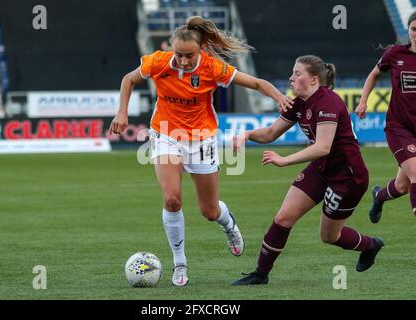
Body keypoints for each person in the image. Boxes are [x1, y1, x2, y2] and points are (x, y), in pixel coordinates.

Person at [109, 16, 293, 286]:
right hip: (165, 134)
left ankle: (228, 223)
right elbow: (128, 79)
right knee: (172, 200)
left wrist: (278, 97)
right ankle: (179, 263)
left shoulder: (212, 68)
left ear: (200, 49)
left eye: (189, 55)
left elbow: (255, 83)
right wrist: (122, 111)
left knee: (209, 211)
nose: (182, 61)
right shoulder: (159, 62)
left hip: (201, 139)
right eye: (179, 54)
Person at [231, 55, 384, 286]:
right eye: (292, 73)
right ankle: (260, 274)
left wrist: (284, 160)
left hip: (347, 178)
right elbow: (272, 133)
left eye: (297, 73)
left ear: (313, 80)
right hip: (321, 170)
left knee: (329, 236)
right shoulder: (299, 103)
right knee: (283, 217)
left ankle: (371, 245)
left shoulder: (328, 102)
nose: (291, 78)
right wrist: (248, 135)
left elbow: (323, 147)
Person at [355, 11, 416, 223]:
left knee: (402, 186)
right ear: (408, 30)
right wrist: (363, 101)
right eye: (414, 29)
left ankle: (379, 196)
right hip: (399, 127)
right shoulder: (395, 54)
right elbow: (373, 74)